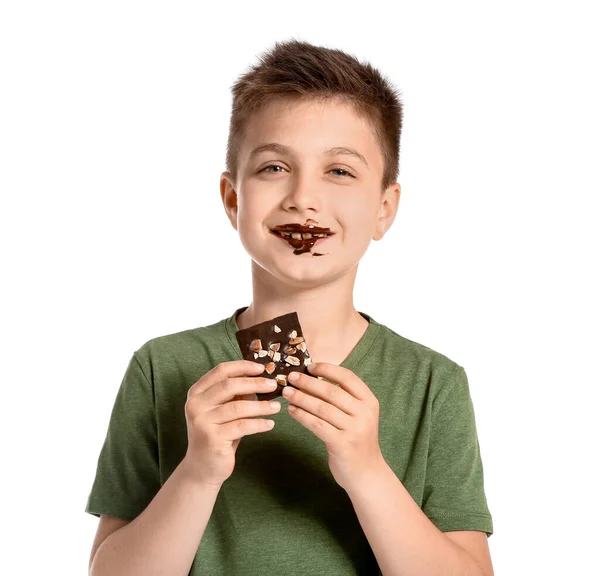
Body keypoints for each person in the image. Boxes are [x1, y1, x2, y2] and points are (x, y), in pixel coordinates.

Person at [86, 39, 494, 576]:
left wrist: (367, 471)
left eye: (340, 172)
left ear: (384, 209)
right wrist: (198, 472)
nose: (303, 197)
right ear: (233, 201)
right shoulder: (161, 369)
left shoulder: (432, 383)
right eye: (274, 167)